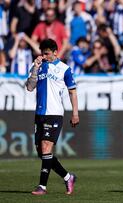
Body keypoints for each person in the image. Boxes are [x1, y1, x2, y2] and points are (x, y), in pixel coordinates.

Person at [25, 39, 79, 195]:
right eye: (42, 53)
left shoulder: (65, 69)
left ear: (55, 52)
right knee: (42, 153)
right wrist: (35, 69)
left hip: (54, 114)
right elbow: (29, 87)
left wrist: (75, 112)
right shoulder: (38, 66)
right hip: (39, 114)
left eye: (47, 53)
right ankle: (68, 177)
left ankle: (42, 186)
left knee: (46, 147)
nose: (44, 56)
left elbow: (72, 92)